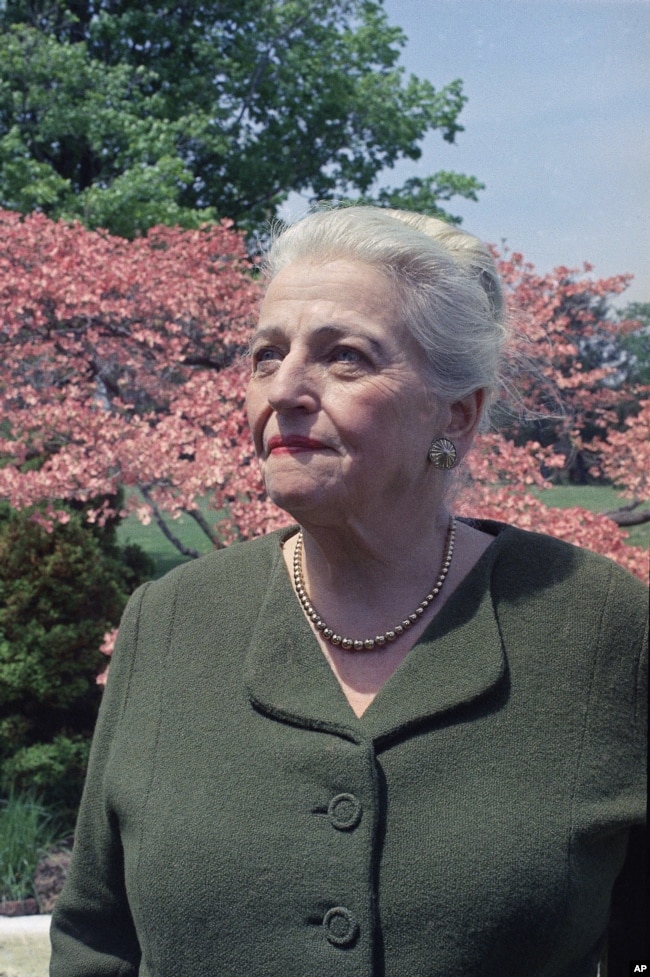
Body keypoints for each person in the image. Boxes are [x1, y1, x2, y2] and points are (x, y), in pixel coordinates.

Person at [50, 207, 647, 976]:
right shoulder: (169, 620)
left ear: (456, 416)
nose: (287, 388)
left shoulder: (600, 626)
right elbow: (97, 938)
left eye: (345, 358)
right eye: (267, 355)